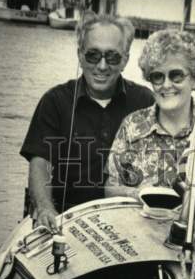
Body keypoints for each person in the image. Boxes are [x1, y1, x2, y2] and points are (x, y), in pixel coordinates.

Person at [20, 12, 154, 230]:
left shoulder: (146, 101)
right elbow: (40, 164)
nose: (102, 66)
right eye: (93, 55)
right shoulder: (54, 101)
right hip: (65, 218)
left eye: (112, 57)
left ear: (126, 59)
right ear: (80, 55)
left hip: (129, 223)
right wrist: (44, 207)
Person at [105, 29, 195, 218]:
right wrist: (135, 194)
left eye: (176, 75)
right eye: (158, 76)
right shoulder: (131, 125)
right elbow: (110, 187)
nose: (166, 85)